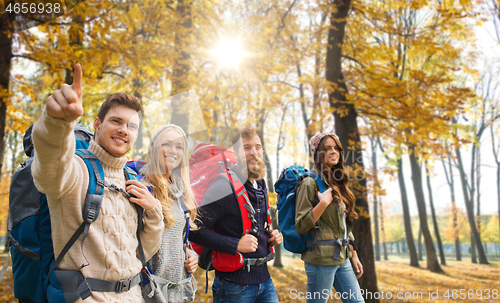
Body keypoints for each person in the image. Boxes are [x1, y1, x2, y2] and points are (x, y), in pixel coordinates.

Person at [31, 64, 164, 302]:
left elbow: (143, 252)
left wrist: (154, 213)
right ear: (97, 124)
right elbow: (49, 169)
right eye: (116, 121)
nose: (124, 130)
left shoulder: (132, 179)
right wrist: (57, 124)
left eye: (131, 126)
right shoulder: (75, 169)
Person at [189, 126, 282, 303]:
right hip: (233, 287)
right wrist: (235, 244)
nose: (254, 152)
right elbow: (194, 230)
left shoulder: (260, 185)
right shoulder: (224, 187)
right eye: (246, 148)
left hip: (265, 281)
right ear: (236, 153)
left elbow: (252, 226)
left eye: (258, 147)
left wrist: (271, 236)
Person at [295, 133, 364, 303]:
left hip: (342, 257)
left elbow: (344, 225)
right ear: (317, 154)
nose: (333, 152)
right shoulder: (309, 183)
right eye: (327, 149)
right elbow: (301, 224)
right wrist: (322, 204)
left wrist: (353, 254)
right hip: (320, 260)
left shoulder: (338, 181)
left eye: (336, 148)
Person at [140, 124, 198, 302]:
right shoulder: (142, 187)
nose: (173, 151)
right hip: (150, 292)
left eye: (179, 146)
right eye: (167, 144)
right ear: (153, 148)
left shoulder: (180, 193)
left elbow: (177, 239)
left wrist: (190, 254)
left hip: (178, 291)